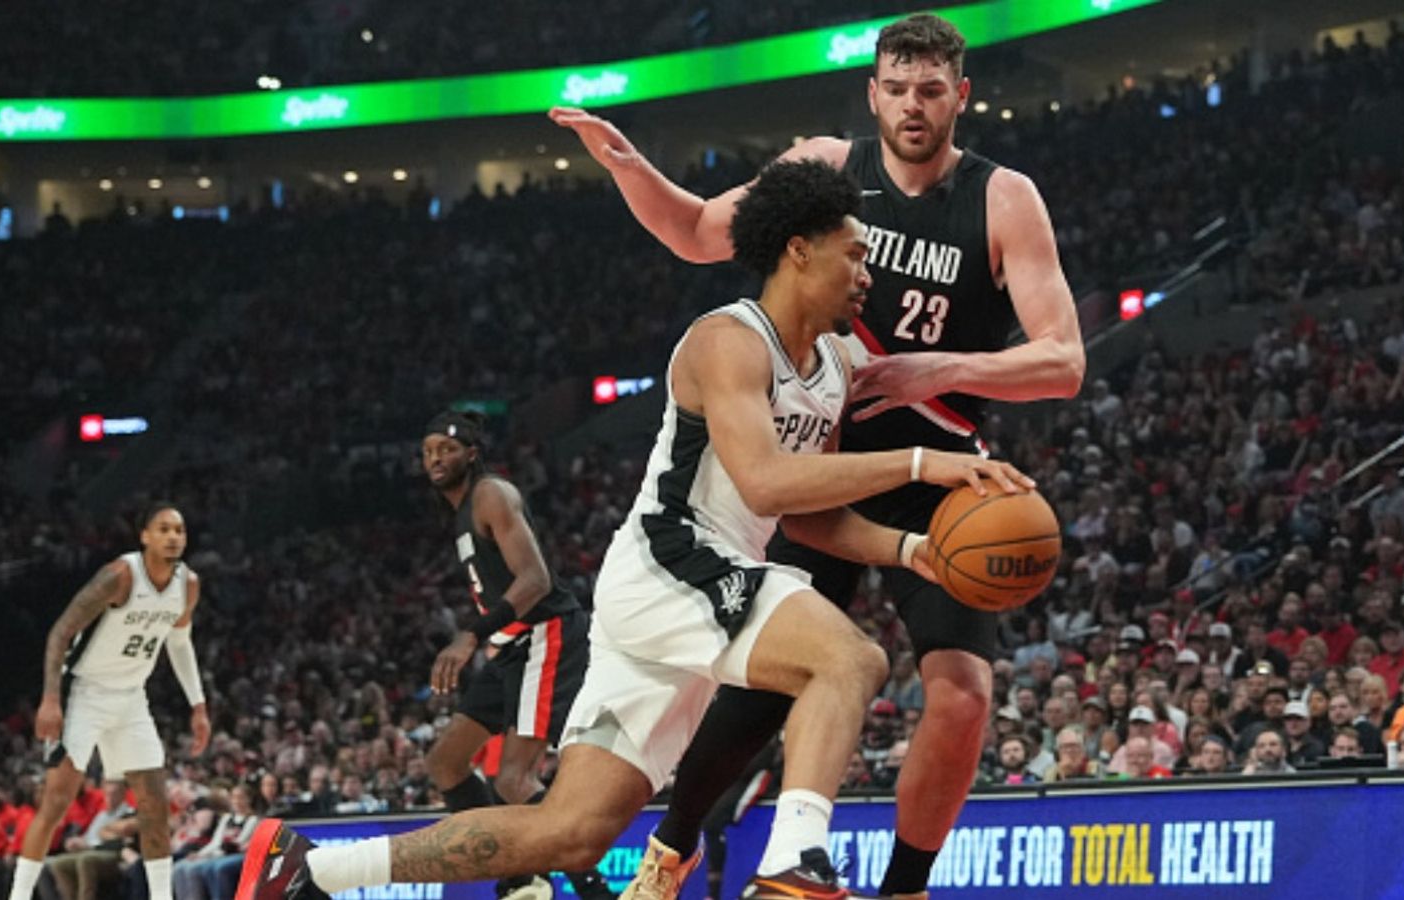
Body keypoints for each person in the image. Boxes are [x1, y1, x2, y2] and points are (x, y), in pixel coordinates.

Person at [236, 161, 1028, 900]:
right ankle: (795, 864)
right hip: (674, 561)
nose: (868, 275)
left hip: (685, 587)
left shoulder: (836, 362)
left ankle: (311, 870)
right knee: (850, 659)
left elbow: (805, 512)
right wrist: (925, 463)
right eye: (856, 256)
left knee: (572, 833)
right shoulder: (729, 339)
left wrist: (911, 549)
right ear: (798, 249)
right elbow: (763, 479)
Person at [550, 13, 1084, 897]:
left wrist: (931, 370)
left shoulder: (1003, 198)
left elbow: (1063, 362)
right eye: (898, 88)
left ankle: (905, 887)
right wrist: (626, 163)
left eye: (932, 90)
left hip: (939, 473)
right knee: (763, 691)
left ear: (962, 95)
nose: (914, 106)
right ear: (873, 92)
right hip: (816, 467)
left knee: (962, 694)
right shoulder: (827, 168)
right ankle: (669, 853)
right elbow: (693, 233)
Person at [417, 408, 611, 900]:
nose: (436, 458)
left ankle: (595, 891)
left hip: (545, 633)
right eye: (429, 451)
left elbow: (536, 580)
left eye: (447, 449)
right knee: (445, 762)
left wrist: (469, 636)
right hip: (510, 648)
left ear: (473, 454)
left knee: (514, 779)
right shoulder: (460, 510)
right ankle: (521, 871)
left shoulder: (491, 493)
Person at [8, 505, 210, 900]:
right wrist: (51, 698)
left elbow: (180, 643)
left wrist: (198, 706)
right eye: (164, 529)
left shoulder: (188, 585)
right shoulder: (118, 577)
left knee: (154, 805)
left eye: (180, 530)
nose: (174, 537)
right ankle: (18, 896)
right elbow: (60, 632)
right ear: (145, 536)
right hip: (84, 691)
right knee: (57, 801)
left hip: (132, 697)